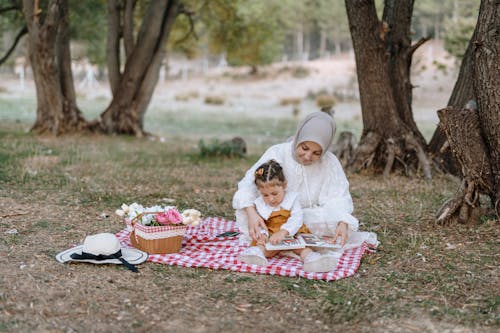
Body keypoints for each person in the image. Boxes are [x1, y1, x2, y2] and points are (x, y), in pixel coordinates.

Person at [233, 111, 373, 251]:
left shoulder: (329, 162)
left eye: (316, 153)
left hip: (305, 216)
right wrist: (252, 214)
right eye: (304, 148)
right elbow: (247, 185)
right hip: (271, 212)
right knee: (245, 213)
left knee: (336, 223)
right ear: (298, 138)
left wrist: (342, 221)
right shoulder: (277, 152)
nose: (307, 156)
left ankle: (289, 235)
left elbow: (339, 197)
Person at [237, 159, 338, 273]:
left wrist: (284, 232)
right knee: (265, 247)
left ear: (284, 185)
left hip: (293, 232)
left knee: (302, 248)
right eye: (265, 195)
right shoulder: (260, 203)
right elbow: (261, 223)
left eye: (275, 193)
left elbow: (297, 218)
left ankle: (312, 260)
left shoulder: (292, 199)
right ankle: (255, 255)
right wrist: (263, 235)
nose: (271, 199)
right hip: (272, 234)